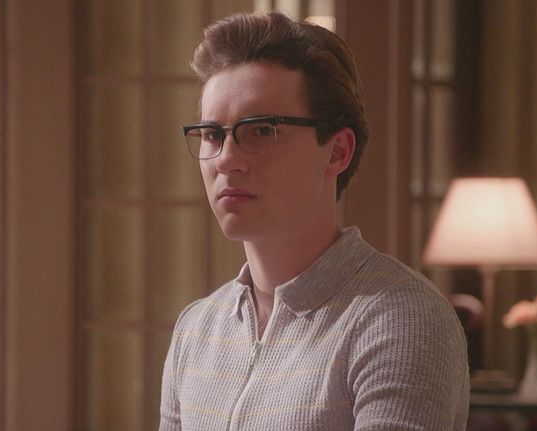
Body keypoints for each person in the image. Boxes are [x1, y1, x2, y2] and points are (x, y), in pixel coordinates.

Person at [160, 11, 469, 431]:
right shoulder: (196, 330)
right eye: (213, 135)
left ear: (337, 151)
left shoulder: (401, 319)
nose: (226, 160)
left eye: (261, 130)